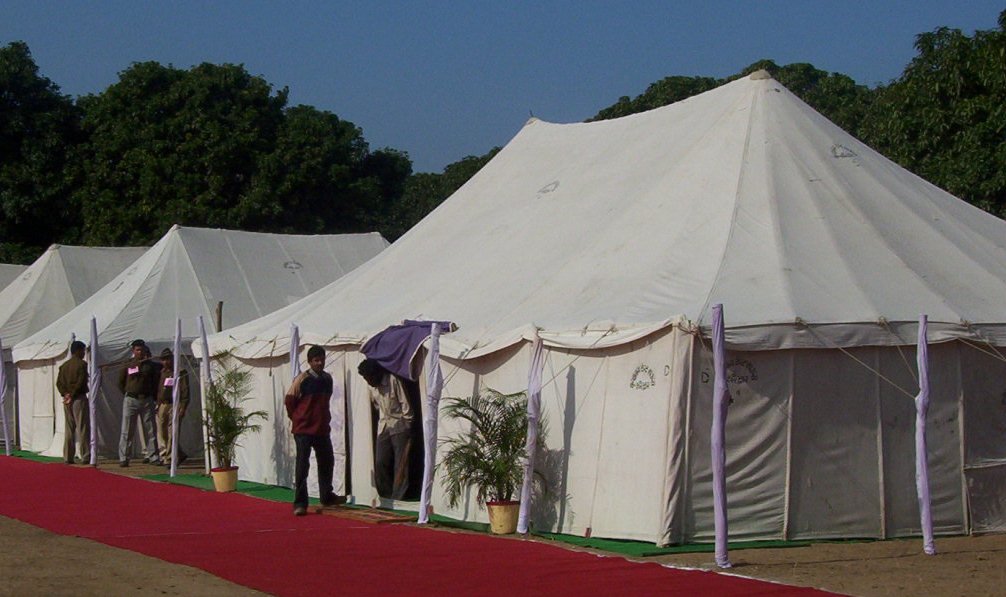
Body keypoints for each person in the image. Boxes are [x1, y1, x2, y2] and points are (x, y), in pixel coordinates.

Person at [285, 345, 340, 516]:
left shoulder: (327, 379)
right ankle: (300, 503)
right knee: (303, 465)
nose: (320, 363)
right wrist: (297, 418)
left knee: (327, 461)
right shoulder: (302, 379)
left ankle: (326, 495)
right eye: (316, 360)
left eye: (322, 359)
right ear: (309, 362)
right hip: (303, 429)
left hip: (322, 428)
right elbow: (289, 400)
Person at [358, 358, 413, 500]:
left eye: (368, 378)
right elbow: (376, 406)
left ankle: (398, 496)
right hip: (384, 424)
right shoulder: (372, 387)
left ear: (375, 375)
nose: (368, 381)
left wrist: (408, 424)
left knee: (401, 463)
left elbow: (404, 402)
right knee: (380, 461)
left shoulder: (393, 380)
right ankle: (385, 494)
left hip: (400, 423)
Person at [117, 339, 162, 467]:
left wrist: (153, 397)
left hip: (146, 399)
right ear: (133, 351)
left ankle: (153, 456)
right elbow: (120, 382)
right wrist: (128, 392)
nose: (140, 352)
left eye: (141, 350)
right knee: (127, 430)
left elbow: (155, 381)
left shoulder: (149, 365)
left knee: (151, 429)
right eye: (137, 350)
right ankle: (124, 457)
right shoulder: (128, 364)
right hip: (131, 399)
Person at [56, 340, 90, 465]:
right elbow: (81, 381)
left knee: (69, 428)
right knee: (82, 427)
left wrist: (65, 394)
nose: (83, 353)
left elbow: (58, 383)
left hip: (67, 399)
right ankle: (85, 455)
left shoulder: (64, 366)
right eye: (82, 351)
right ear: (78, 351)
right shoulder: (82, 365)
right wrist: (72, 394)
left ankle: (68, 456)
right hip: (78, 398)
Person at [155, 348, 189, 467]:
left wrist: (183, 406)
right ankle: (179, 453)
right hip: (163, 404)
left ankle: (170, 458)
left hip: (175, 403)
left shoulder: (180, 372)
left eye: (168, 359)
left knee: (172, 431)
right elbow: (160, 389)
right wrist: (158, 404)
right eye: (163, 360)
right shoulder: (163, 372)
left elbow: (185, 390)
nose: (166, 362)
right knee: (162, 431)